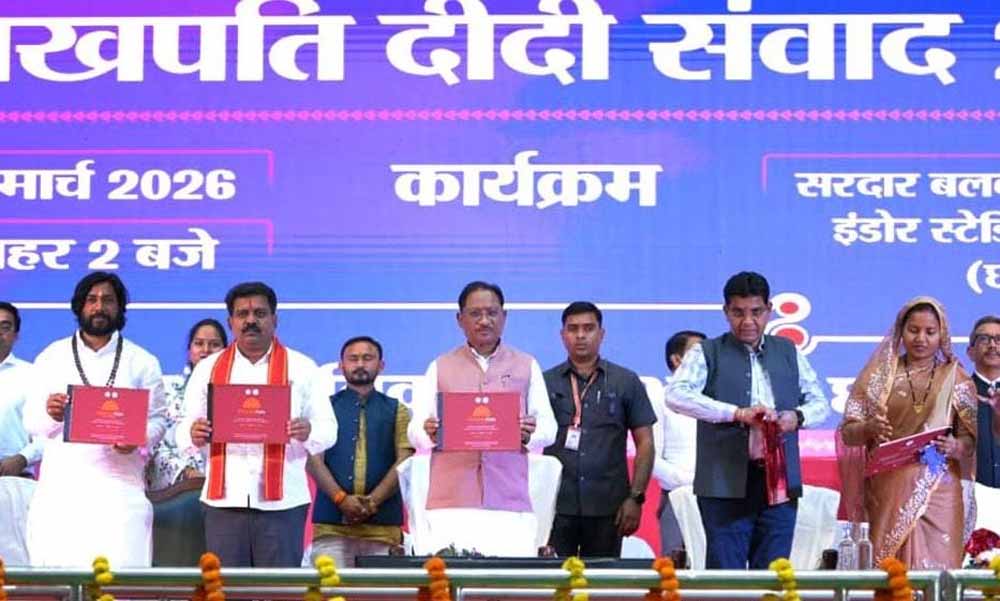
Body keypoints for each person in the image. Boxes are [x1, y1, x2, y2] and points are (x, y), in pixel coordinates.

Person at [666, 271, 829, 569]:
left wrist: (796, 417)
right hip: (723, 483)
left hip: (779, 482)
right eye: (738, 312)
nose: (748, 321)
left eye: (756, 312)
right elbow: (676, 395)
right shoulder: (707, 351)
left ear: (770, 310)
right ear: (726, 312)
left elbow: (820, 402)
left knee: (774, 574)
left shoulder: (788, 351)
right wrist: (735, 413)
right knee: (726, 577)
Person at [177, 281, 337, 567]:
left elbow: (329, 430)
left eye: (260, 313)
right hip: (224, 500)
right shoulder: (207, 369)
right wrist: (193, 432)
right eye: (242, 314)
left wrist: (309, 430)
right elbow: (183, 427)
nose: (251, 321)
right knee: (227, 586)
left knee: (279, 588)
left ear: (274, 319)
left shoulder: (303, 367)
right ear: (231, 322)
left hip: (284, 502)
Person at [23, 272, 167, 567]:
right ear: (80, 306)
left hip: (120, 491)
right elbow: (31, 423)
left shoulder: (143, 361)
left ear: (120, 308)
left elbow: (158, 422)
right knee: (60, 579)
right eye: (92, 300)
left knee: (120, 579)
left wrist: (137, 437)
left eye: (108, 300)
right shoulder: (51, 357)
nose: (99, 307)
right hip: (61, 491)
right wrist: (51, 414)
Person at [408, 281, 557, 556]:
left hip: (509, 496)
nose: (484, 321)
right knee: (451, 576)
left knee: (508, 577)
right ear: (460, 319)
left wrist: (529, 434)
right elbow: (414, 430)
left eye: (492, 313)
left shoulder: (527, 365)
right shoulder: (439, 366)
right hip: (452, 498)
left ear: (504, 316)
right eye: (475, 314)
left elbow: (549, 429)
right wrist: (427, 432)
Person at [838, 297, 977, 569]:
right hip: (889, 486)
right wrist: (869, 428)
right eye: (913, 330)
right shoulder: (878, 377)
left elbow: (970, 441)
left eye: (930, 332)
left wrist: (956, 446)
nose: (921, 339)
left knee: (940, 573)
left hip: (939, 488)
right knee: (891, 574)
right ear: (901, 331)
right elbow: (848, 433)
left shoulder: (957, 378)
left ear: (942, 335)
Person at [543, 301, 657, 557]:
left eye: (588, 328)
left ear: (601, 334)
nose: (580, 335)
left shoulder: (626, 381)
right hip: (556, 505)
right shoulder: (544, 382)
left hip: (609, 507)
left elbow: (646, 443)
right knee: (555, 579)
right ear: (562, 335)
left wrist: (636, 498)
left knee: (602, 579)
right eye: (573, 329)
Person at [308, 336, 413, 566]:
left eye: (367, 358)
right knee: (330, 588)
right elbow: (313, 460)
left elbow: (405, 461)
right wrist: (341, 499)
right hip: (332, 529)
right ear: (341, 365)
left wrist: (373, 502)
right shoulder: (323, 408)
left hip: (383, 531)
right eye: (353, 359)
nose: (360, 364)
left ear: (381, 365)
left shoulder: (398, 410)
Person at [145, 318, 227, 491]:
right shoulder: (166, 388)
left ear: (226, 352)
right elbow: (154, 441)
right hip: (175, 487)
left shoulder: (234, 396)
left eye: (214, 345)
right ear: (189, 350)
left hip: (225, 484)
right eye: (199, 344)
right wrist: (186, 472)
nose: (206, 350)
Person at [652, 330, 703, 557]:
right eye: (697, 352)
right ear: (677, 359)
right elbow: (651, 457)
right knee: (675, 566)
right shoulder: (660, 398)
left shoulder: (717, 401)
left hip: (716, 498)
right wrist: (686, 481)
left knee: (715, 565)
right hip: (676, 494)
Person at [0, 302, 42, 478]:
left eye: (5, 327)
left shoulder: (32, 375)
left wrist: (22, 458)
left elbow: (47, 433)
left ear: (15, 335)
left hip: (15, 478)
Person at [967, 315, 1000, 489]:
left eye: (999, 339)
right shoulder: (957, 394)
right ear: (970, 352)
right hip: (970, 494)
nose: (993, 345)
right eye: (984, 339)